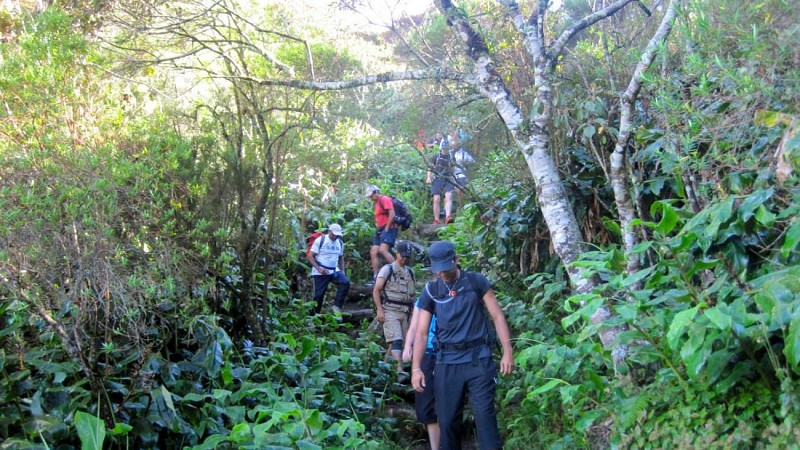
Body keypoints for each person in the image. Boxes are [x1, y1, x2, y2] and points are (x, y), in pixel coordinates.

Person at [411, 241, 514, 450]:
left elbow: (497, 316)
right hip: (446, 363)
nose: (442, 273)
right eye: (438, 269)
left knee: (485, 418)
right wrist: (416, 368)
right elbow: (421, 333)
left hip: (478, 360)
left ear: (456, 260)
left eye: (446, 268)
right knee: (447, 422)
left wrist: (507, 351)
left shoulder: (476, 282)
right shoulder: (431, 291)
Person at [372, 241, 416, 373]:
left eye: (407, 257)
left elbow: (411, 294)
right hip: (390, 309)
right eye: (402, 256)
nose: (404, 259)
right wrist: (380, 310)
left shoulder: (410, 272)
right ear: (396, 254)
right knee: (396, 340)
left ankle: (383, 369)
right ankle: (399, 370)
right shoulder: (388, 269)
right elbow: (376, 290)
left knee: (400, 342)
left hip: (406, 311)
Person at [404, 299, 440, 450]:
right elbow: (414, 327)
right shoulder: (423, 300)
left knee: (447, 403)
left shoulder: (453, 296)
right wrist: (407, 346)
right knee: (427, 404)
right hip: (426, 353)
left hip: (449, 355)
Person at [306, 223, 350, 314]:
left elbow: (341, 257)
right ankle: (313, 316)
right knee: (318, 295)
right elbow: (310, 256)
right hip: (320, 272)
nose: (335, 237)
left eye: (337, 235)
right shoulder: (320, 240)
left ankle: (337, 307)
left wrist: (342, 271)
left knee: (345, 282)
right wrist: (319, 269)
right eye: (333, 234)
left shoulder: (340, 242)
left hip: (334, 270)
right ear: (329, 231)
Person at [365, 185, 397, 284]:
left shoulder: (385, 199)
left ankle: (398, 272)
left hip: (389, 228)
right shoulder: (377, 202)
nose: (370, 198)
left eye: (371, 195)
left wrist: (387, 228)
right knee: (373, 251)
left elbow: (392, 214)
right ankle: (376, 276)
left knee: (383, 250)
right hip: (380, 229)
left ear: (375, 192)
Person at [426, 139, 455, 225]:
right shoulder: (436, 156)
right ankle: (436, 219)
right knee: (436, 199)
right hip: (437, 178)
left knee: (449, 196)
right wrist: (428, 177)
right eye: (443, 148)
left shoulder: (451, 157)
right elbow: (430, 167)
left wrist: (455, 180)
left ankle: (448, 216)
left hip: (448, 178)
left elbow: (453, 169)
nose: (444, 149)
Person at [451, 145, 475, 211]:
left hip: (461, 174)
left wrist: (465, 162)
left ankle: (461, 206)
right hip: (451, 175)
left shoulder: (463, 153)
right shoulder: (450, 153)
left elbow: (472, 161)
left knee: (459, 190)